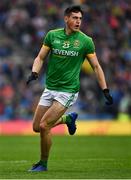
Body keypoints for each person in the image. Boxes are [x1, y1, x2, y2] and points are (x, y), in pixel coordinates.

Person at [26, 5, 113, 172]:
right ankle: (68, 119)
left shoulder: (86, 41)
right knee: (36, 127)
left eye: (80, 18)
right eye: (74, 18)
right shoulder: (52, 35)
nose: (78, 21)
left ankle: (42, 164)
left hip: (68, 91)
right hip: (50, 88)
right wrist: (34, 72)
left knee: (45, 126)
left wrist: (105, 89)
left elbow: (96, 66)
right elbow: (40, 57)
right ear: (66, 19)